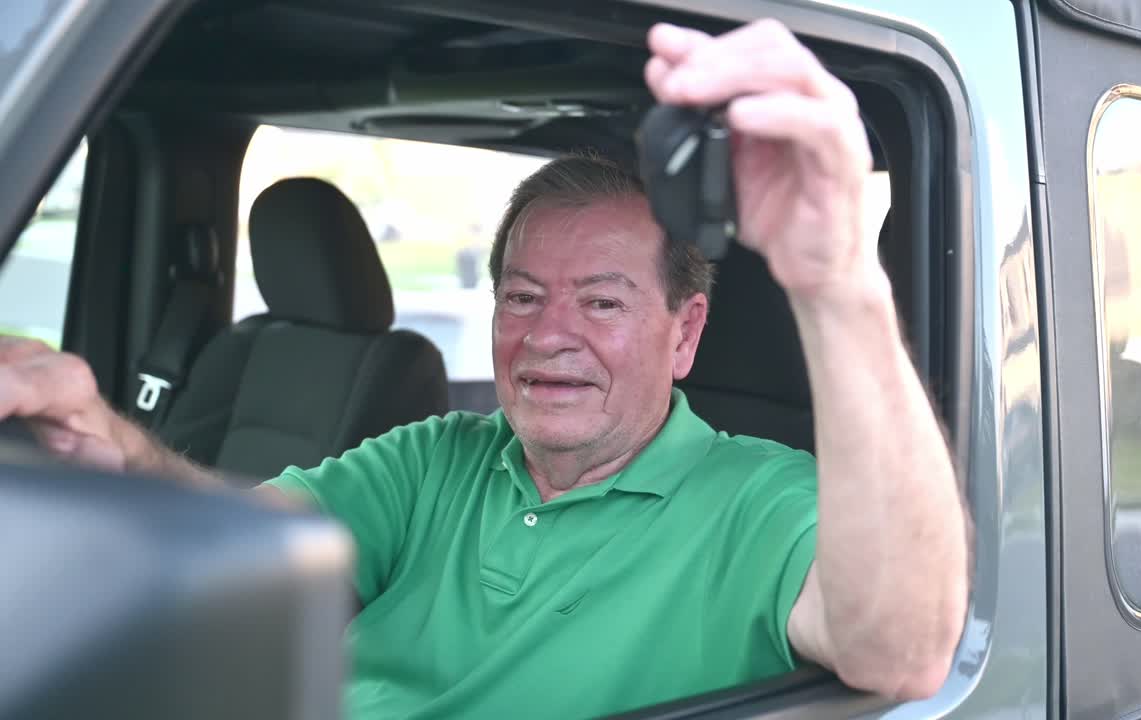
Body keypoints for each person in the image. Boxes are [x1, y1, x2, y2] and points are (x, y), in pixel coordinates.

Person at [0, 19, 969, 719]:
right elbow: (234, 542)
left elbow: (904, 650)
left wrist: (834, 276)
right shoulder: (434, 458)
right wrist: (108, 451)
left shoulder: (763, 503)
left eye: (600, 302)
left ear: (684, 334)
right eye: (519, 295)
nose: (547, 334)